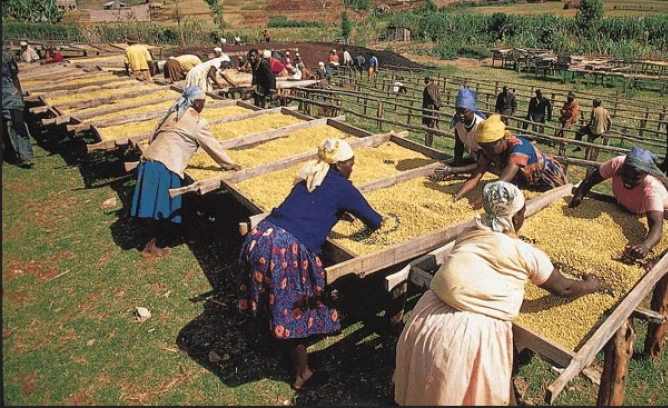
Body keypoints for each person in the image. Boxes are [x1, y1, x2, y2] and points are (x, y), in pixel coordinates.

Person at [394, 181, 603, 406]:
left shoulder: (469, 234)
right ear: (515, 218)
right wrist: (591, 285)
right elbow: (564, 288)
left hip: (426, 315)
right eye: (522, 212)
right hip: (470, 334)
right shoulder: (524, 252)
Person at [237, 138, 383, 391]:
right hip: (283, 250)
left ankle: (272, 337)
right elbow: (374, 220)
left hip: (262, 237)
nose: (352, 168)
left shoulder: (311, 176)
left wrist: (339, 211)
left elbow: (307, 205)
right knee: (296, 306)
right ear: (339, 165)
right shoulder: (342, 186)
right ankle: (303, 374)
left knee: (272, 296)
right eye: (350, 163)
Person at [130, 86, 242, 254]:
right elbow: (212, 146)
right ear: (196, 103)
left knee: (152, 206)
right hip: (166, 165)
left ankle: (152, 239)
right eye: (203, 102)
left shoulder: (173, 113)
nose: (203, 105)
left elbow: (153, 135)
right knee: (162, 208)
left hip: (149, 159)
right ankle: (152, 247)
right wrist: (230, 164)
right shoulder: (197, 121)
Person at [569, 146, 668, 259]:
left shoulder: (651, 190)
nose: (629, 180)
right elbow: (591, 180)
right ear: (623, 167)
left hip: (662, 214)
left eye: (636, 178)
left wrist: (645, 246)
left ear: (645, 174)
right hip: (630, 206)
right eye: (625, 174)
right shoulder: (617, 164)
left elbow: (656, 225)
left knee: (660, 257)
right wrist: (576, 200)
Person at [452, 114, 568, 208]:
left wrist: (473, 205)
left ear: (501, 140)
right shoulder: (489, 151)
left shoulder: (518, 150)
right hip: (525, 182)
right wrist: (456, 197)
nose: (486, 152)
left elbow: (500, 184)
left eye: (489, 147)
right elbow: (475, 177)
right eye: (483, 148)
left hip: (547, 180)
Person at [1, 49, 34, 168]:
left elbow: (15, 76)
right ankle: (7, 154)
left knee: (18, 123)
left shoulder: (6, 56)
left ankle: (25, 156)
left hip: (10, 94)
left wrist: (19, 95)